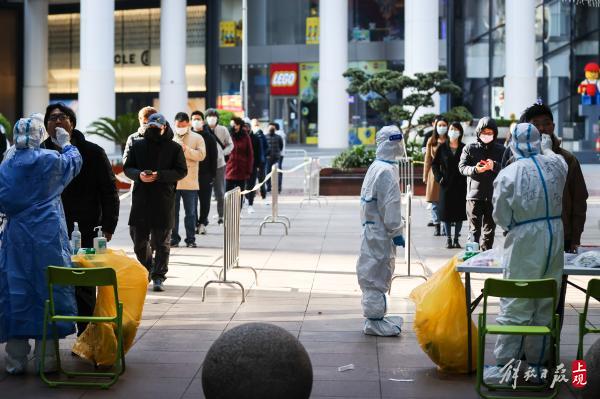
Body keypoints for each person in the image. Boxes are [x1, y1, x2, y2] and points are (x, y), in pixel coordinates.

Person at [485, 123, 567, 382]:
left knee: (516, 300)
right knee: (545, 301)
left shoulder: (509, 174)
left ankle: (505, 367)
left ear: (512, 141)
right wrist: (545, 146)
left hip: (524, 239)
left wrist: (514, 227)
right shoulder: (557, 166)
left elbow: (500, 215)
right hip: (555, 233)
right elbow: (552, 152)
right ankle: (537, 368)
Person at [0, 117, 81, 374]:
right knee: (48, 292)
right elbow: (73, 163)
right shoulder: (49, 159)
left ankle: (15, 362)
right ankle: (47, 361)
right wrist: (67, 144)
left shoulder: (7, 165)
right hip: (47, 236)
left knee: (17, 291)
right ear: (40, 135)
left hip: (16, 238)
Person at [43, 103, 120, 336]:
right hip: (48, 230)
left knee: (84, 284)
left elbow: (109, 191)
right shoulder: (40, 154)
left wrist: (108, 226)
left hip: (86, 228)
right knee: (52, 281)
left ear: (72, 123)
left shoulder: (92, 152)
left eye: (63, 117)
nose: (57, 121)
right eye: (52, 118)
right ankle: (50, 340)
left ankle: (85, 335)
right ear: (46, 125)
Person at [501, 103, 588, 253]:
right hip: (524, 237)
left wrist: (575, 238)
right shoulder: (515, 162)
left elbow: (579, 200)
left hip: (561, 236)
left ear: (553, 126)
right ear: (527, 127)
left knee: (558, 277)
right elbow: (504, 201)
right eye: (535, 124)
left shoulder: (568, 160)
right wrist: (508, 231)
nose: (542, 129)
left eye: (546, 123)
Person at [124, 113, 187, 292]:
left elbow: (181, 171)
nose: (154, 130)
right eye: (150, 127)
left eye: (157, 128)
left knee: (161, 242)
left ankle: (159, 275)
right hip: (141, 199)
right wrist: (139, 175)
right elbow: (128, 167)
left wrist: (160, 176)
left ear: (164, 128)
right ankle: (148, 268)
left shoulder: (174, 148)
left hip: (163, 199)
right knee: (138, 241)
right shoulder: (137, 145)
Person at [356, 125, 405, 337]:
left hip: (372, 229)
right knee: (377, 273)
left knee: (372, 271)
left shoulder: (377, 166)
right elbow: (390, 206)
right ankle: (374, 321)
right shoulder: (386, 171)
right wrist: (397, 232)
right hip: (381, 232)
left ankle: (375, 317)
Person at [458, 117, 504, 251]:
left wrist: (494, 166)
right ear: (478, 132)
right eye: (484, 132)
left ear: (495, 134)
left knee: (489, 232)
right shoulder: (470, 148)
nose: (487, 135)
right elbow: (462, 167)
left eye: (490, 133)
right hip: (474, 197)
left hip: (493, 196)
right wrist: (475, 169)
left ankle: (485, 258)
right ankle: (470, 261)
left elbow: (508, 168)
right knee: (473, 231)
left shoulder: (501, 150)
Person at [170, 112, 206, 248]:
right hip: (173, 182)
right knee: (173, 213)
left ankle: (190, 239)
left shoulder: (197, 138)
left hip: (190, 182)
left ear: (188, 124)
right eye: (178, 126)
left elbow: (201, 155)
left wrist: (186, 150)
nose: (180, 128)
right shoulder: (169, 137)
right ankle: (174, 238)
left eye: (182, 126)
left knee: (190, 213)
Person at [432, 122, 467, 249]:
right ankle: (448, 239)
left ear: (460, 132)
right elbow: (434, 164)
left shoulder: (464, 148)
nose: (453, 131)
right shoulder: (442, 148)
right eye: (452, 129)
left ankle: (456, 239)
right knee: (446, 213)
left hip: (460, 185)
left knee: (459, 213)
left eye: (456, 129)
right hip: (446, 184)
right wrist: (439, 178)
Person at [191, 111, 218, 235]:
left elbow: (214, 156)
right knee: (191, 201)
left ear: (202, 121)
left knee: (204, 200)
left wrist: (213, 175)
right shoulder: (188, 136)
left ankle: (202, 222)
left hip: (205, 174)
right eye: (194, 119)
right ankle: (194, 222)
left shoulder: (209, 137)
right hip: (191, 174)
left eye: (198, 119)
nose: (196, 121)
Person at [205, 109, 234, 225]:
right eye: (209, 116)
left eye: (213, 116)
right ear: (206, 118)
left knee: (220, 192)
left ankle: (221, 215)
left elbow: (231, 144)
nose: (212, 118)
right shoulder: (202, 129)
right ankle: (203, 218)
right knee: (205, 193)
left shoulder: (223, 130)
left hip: (219, 164)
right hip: (205, 165)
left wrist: (223, 152)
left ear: (217, 118)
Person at [423, 118, 448, 236]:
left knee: (446, 202)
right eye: (440, 125)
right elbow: (427, 159)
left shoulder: (450, 140)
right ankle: (436, 225)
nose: (442, 127)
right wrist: (425, 176)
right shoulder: (431, 140)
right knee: (434, 203)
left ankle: (445, 227)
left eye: (444, 125)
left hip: (448, 174)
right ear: (436, 126)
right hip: (434, 174)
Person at [226, 117, 254, 207]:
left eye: (236, 124)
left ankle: (238, 212)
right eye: (232, 124)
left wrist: (249, 170)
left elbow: (250, 154)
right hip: (229, 169)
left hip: (242, 169)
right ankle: (227, 212)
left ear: (240, 125)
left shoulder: (245, 136)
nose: (234, 126)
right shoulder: (228, 136)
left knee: (240, 193)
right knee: (227, 193)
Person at [245, 118, 264, 214]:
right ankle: (245, 200)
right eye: (245, 126)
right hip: (242, 167)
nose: (246, 128)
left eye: (248, 126)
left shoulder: (255, 138)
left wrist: (258, 165)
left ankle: (250, 204)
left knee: (251, 185)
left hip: (252, 166)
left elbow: (258, 152)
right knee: (243, 186)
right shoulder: (240, 137)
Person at [251, 118, 269, 200]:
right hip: (259, 160)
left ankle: (257, 194)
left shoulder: (257, 135)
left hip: (258, 161)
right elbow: (267, 148)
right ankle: (260, 194)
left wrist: (263, 156)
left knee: (256, 179)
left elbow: (266, 148)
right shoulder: (261, 135)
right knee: (259, 179)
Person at [265, 123, 284, 194]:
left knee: (278, 172)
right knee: (267, 173)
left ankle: (278, 188)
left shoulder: (278, 137)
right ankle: (268, 188)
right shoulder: (265, 136)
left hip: (276, 157)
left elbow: (281, 146)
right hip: (269, 158)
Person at [270, 122, 286, 193]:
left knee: (275, 170)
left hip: (276, 154)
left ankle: (275, 187)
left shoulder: (278, 135)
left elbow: (280, 145)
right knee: (278, 170)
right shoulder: (282, 134)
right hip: (281, 154)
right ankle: (278, 187)